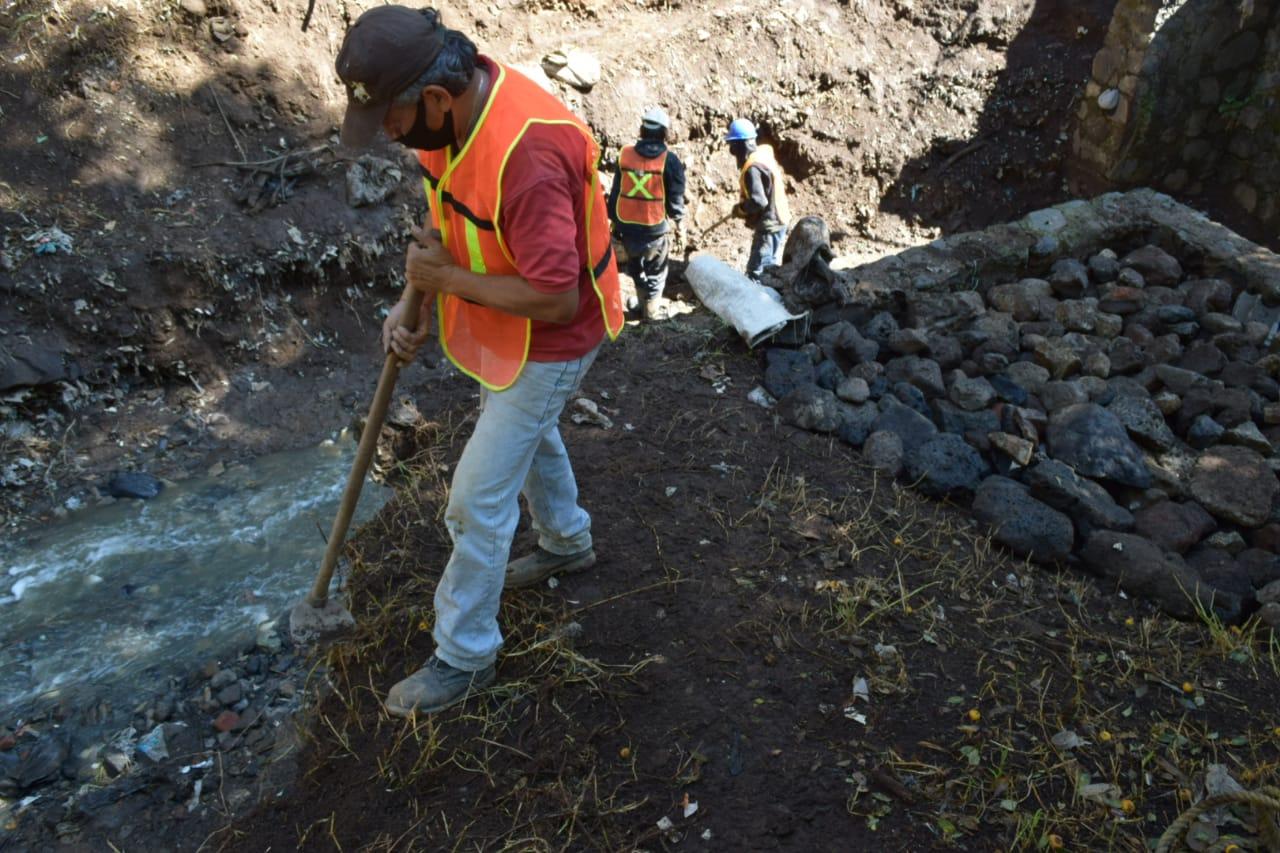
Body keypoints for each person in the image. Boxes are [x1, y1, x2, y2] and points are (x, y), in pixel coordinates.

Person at [334, 5, 624, 716]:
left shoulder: (527, 155)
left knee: (475, 499)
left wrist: (446, 287)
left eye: (394, 123)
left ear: (435, 97)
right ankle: (566, 541)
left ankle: (465, 655)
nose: (394, 140)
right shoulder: (445, 123)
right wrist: (410, 311)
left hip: (558, 336)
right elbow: (441, 224)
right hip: (511, 327)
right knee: (529, 430)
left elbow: (556, 300)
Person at [606, 107, 686, 321]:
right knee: (656, 271)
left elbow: (616, 193)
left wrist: (614, 223)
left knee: (634, 265)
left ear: (642, 130)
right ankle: (650, 312)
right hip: (654, 229)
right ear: (664, 134)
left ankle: (642, 303)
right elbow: (675, 198)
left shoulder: (625, 155)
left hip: (627, 227)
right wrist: (679, 221)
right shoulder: (669, 161)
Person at [724, 118, 791, 282]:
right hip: (780, 217)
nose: (731, 150)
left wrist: (741, 209)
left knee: (758, 271)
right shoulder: (762, 154)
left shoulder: (753, 167)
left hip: (770, 224)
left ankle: (762, 301)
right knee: (770, 265)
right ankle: (773, 297)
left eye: (732, 145)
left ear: (741, 144)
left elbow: (759, 201)